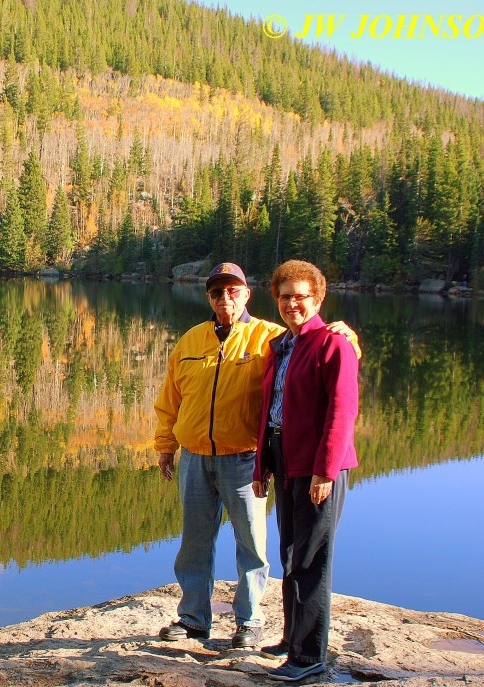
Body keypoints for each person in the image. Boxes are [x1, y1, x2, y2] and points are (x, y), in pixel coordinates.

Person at [154, 263, 358, 650]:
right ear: (209, 297)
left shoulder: (271, 337)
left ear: (248, 294)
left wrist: (348, 334)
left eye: (233, 291)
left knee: (252, 546)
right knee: (194, 543)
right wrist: (165, 444)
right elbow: (170, 398)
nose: (225, 298)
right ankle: (194, 618)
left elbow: (320, 347)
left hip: (245, 459)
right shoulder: (191, 341)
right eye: (217, 292)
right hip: (195, 458)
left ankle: (249, 621)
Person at [252, 260, 359, 681]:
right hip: (286, 459)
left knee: (311, 561)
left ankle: (309, 656)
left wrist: (326, 470)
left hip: (318, 465)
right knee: (290, 555)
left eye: (301, 296)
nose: (292, 303)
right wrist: (263, 466)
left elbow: (342, 410)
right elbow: (270, 410)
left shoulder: (333, 344)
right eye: (284, 296)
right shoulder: (282, 345)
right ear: (275, 299)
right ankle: (290, 637)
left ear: (317, 299)